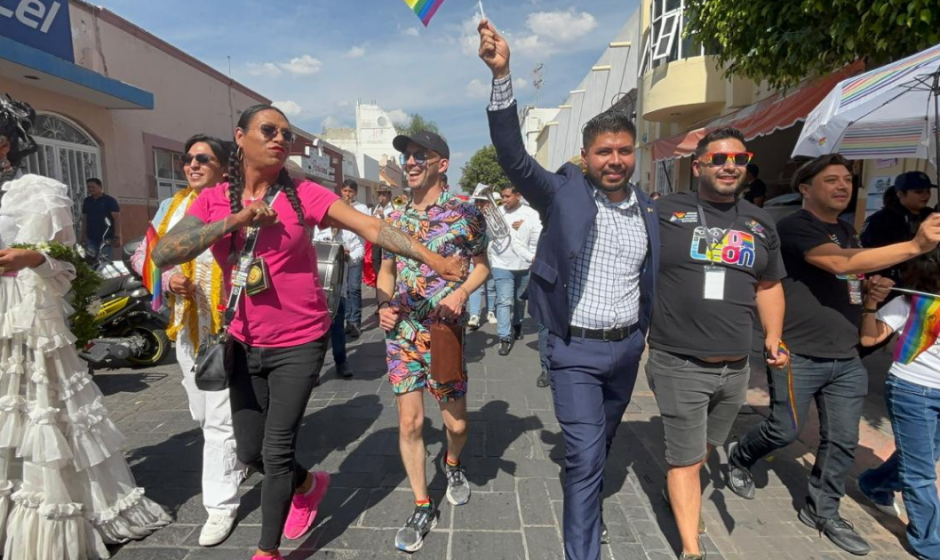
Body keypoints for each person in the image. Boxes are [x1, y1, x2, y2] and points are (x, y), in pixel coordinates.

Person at [152, 104, 466, 560]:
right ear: (239, 137)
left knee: (276, 449)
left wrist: (435, 261)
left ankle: (268, 550)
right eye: (268, 130)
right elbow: (165, 252)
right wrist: (238, 220)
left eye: (286, 133)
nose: (281, 138)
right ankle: (308, 484)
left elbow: (374, 227)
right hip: (242, 339)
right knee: (250, 450)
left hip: (300, 341)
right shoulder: (214, 198)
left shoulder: (303, 193)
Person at [479, 21, 660, 560]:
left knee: (599, 446)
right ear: (586, 156)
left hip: (627, 350)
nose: (615, 160)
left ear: (634, 155)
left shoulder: (649, 208)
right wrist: (503, 76)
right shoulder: (562, 193)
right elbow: (513, 156)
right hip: (574, 351)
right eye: (604, 151)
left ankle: (587, 498)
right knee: (583, 457)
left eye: (624, 151)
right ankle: (582, 546)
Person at [726, 154, 940, 556]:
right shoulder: (794, 227)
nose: (843, 186)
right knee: (784, 429)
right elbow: (838, 263)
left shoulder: (848, 229)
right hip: (799, 351)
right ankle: (741, 456)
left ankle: (822, 510)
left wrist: (872, 295)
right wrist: (915, 244)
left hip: (846, 354)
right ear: (806, 188)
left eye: (847, 180)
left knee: (841, 440)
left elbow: (851, 276)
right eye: (831, 180)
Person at [0, 93, 170, 560]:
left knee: (44, 408)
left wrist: (32, 257)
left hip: (28, 310)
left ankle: (56, 511)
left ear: (5, 142)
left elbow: (71, 261)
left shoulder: (39, 190)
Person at [645, 128, 787, 560]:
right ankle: (691, 549)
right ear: (699, 165)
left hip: (736, 368)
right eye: (719, 159)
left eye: (739, 159)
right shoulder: (663, 211)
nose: (730, 166)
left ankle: (681, 493)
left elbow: (769, 285)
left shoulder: (760, 221)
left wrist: (774, 337)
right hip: (679, 362)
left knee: (705, 447)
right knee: (687, 461)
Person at [377, 129, 489, 552]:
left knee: (456, 424)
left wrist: (461, 293)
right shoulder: (395, 218)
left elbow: (482, 266)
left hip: (443, 335)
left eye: (420, 155)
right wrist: (383, 304)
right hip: (402, 331)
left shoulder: (464, 212)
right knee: (411, 422)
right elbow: (387, 270)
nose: (409, 162)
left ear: (442, 164)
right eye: (407, 155)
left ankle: (453, 462)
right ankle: (423, 504)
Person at [130, 134, 244, 546]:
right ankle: (240, 454)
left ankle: (220, 505)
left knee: (217, 421)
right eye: (188, 159)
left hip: (226, 326)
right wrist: (169, 276)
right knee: (201, 411)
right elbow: (146, 254)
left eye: (203, 159)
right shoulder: (170, 207)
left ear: (224, 167)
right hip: (185, 326)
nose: (192, 165)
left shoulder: (235, 202)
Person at [857, 251, 940, 560]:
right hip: (912, 392)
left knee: (924, 457)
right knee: (920, 472)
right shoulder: (911, 301)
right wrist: (871, 304)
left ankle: (874, 483)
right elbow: (868, 339)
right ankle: (929, 544)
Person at [487, 185, 541, 355]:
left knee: (519, 300)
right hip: (501, 263)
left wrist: (525, 227)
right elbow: (488, 233)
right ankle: (504, 337)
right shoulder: (497, 212)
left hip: (524, 264)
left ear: (518, 195)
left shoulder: (531, 214)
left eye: (508, 196)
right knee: (504, 301)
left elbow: (539, 234)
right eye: (503, 196)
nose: (504, 200)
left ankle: (517, 323)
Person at [861, 170, 937, 286]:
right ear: (900, 194)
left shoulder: (932, 216)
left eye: (928, 191)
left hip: (928, 281)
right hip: (893, 283)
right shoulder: (880, 219)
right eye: (919, 192)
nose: (925, 196)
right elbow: (869, 254)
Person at [314, 223, 363, 379]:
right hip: (316, 287)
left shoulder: (348, 231)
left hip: (337, 288)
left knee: (337, 329)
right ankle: (314, 370)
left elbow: (359, 249)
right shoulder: (316, 228)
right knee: (316, 331)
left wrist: (349, 256)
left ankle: (341, 361)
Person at [340, 179, 368, 338]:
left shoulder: (362, 208)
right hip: (341, 251)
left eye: (350, 191)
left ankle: (355, 321)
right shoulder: (337, 206)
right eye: (345, 191)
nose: (347, 194)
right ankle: (347, 321)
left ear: (355, 193)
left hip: (355, 251)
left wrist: (350, 209)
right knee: (343, 289)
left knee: (354, 287)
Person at [81, 177, 121, 261]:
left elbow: (116, 220)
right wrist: (83, 235)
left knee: (104, 261)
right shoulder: (87, 201)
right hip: (91, 237)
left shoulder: (110, 201)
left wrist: (117, 236)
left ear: (100, 187)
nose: (90, 189)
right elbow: (85, 219)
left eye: (93, 187)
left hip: (106, 238)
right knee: (90, 261)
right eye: (88, 187)